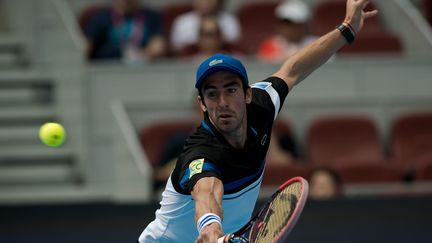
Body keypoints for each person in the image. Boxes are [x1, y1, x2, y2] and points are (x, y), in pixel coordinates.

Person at [138, 0, 377, 242]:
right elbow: (206, 191)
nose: (222, 102)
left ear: (248, 94)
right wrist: (210, 227)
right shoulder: (201, 153)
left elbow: (293, 69)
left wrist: (347, 29)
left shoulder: (262, 106)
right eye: (212, 94)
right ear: (202, 104)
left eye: (231, 90)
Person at [83, 0, 166, 62]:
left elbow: (158, 46)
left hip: (142, 68)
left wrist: (138, 56)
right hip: (107, 68)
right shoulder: (101, 18)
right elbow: (85, 48)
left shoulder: (151, 17)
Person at [170, 0, 241, 54]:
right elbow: (177, 52)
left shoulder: (230, 21)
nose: (206, 2)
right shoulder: (182, 22)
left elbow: (234, 49)